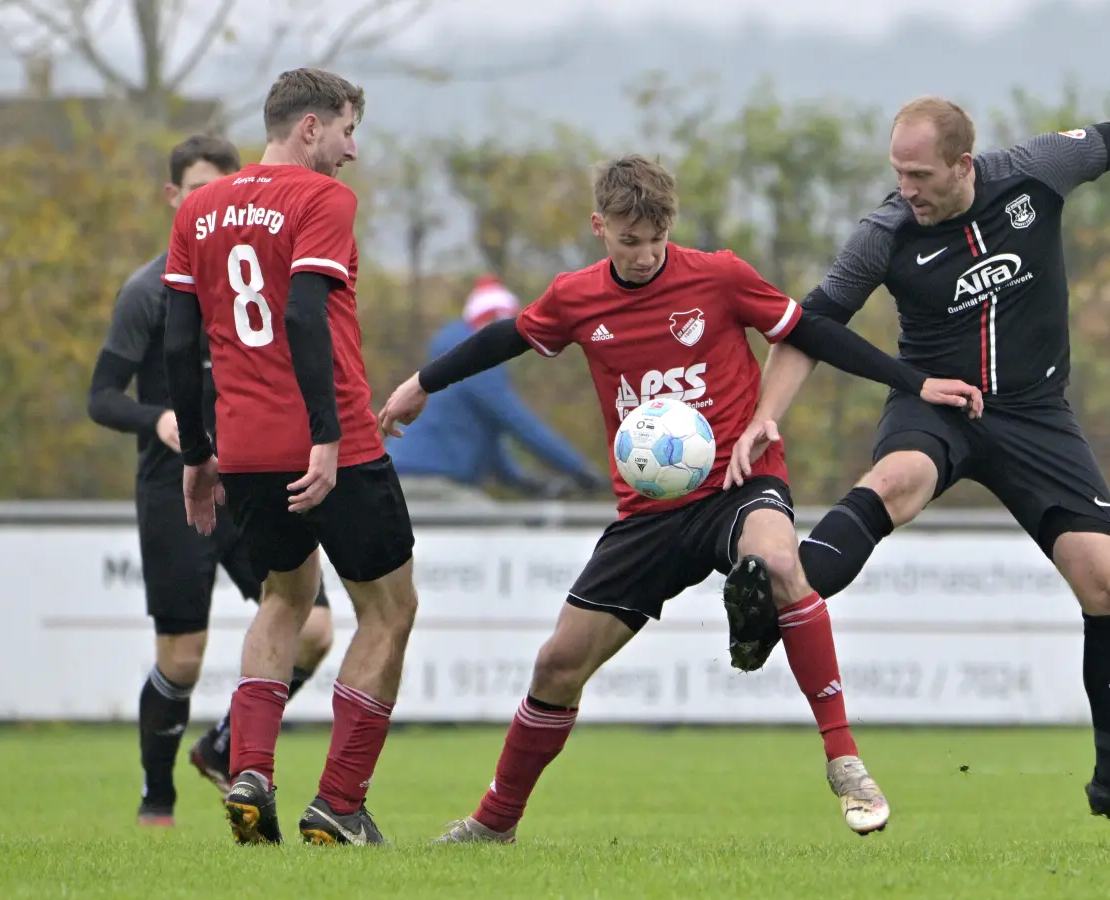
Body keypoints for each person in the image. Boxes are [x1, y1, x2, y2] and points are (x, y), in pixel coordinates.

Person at [726, 81, 1110, 846]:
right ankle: (778, 595)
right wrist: (765, 414)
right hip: (938, 402)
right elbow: (810, 326)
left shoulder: (1037, 171)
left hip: (1036, 414)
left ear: (962, 164)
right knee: (898, 482)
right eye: (897, 172)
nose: (903, 188)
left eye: (919, 175)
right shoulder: (883, 233)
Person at [377, 154, 981, 843]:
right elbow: (504, 340)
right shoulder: (577, 297)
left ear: (671, 226)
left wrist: (913, 382)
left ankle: (843, 758)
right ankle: (495, 822)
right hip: (650, 515)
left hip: (737, 483)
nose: (642, 256)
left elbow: (812, 332)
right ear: (599, 227)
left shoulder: (719, 276)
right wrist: (423, 383)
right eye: (627, 242)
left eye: (655, 241)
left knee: (783, 566)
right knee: (557, 664)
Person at [161, 67, 420, 847]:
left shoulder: (199, 208)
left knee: (284, 598)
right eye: (346, 132)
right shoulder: (321, 200)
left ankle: (251, 771)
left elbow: (181, 340)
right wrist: (329, 435)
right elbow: (305, 315)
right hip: (328, 437)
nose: (351, 153)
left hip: (241, 445)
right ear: (309, 127)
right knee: (390, 608)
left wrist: (200, 452)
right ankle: (340, 803)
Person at [86, 134, 335, 828]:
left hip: (249, 481)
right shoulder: (147, 291)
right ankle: (155, 802)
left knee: (314, 628)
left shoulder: (258, 278)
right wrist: (159, 418)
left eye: (222, 191)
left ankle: (225, 748)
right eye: (196, 191)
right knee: (184, 657)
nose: (210, 205)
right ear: (174, 199)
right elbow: (101, 396)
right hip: (175, 487)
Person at [385, 274, 606, 504]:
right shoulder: (477, 364)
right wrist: (580, 469)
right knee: (501, 533)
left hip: (409, 477)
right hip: (428, 483)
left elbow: (488, 438)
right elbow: (519, 423)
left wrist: (525, 481)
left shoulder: (453, 363)